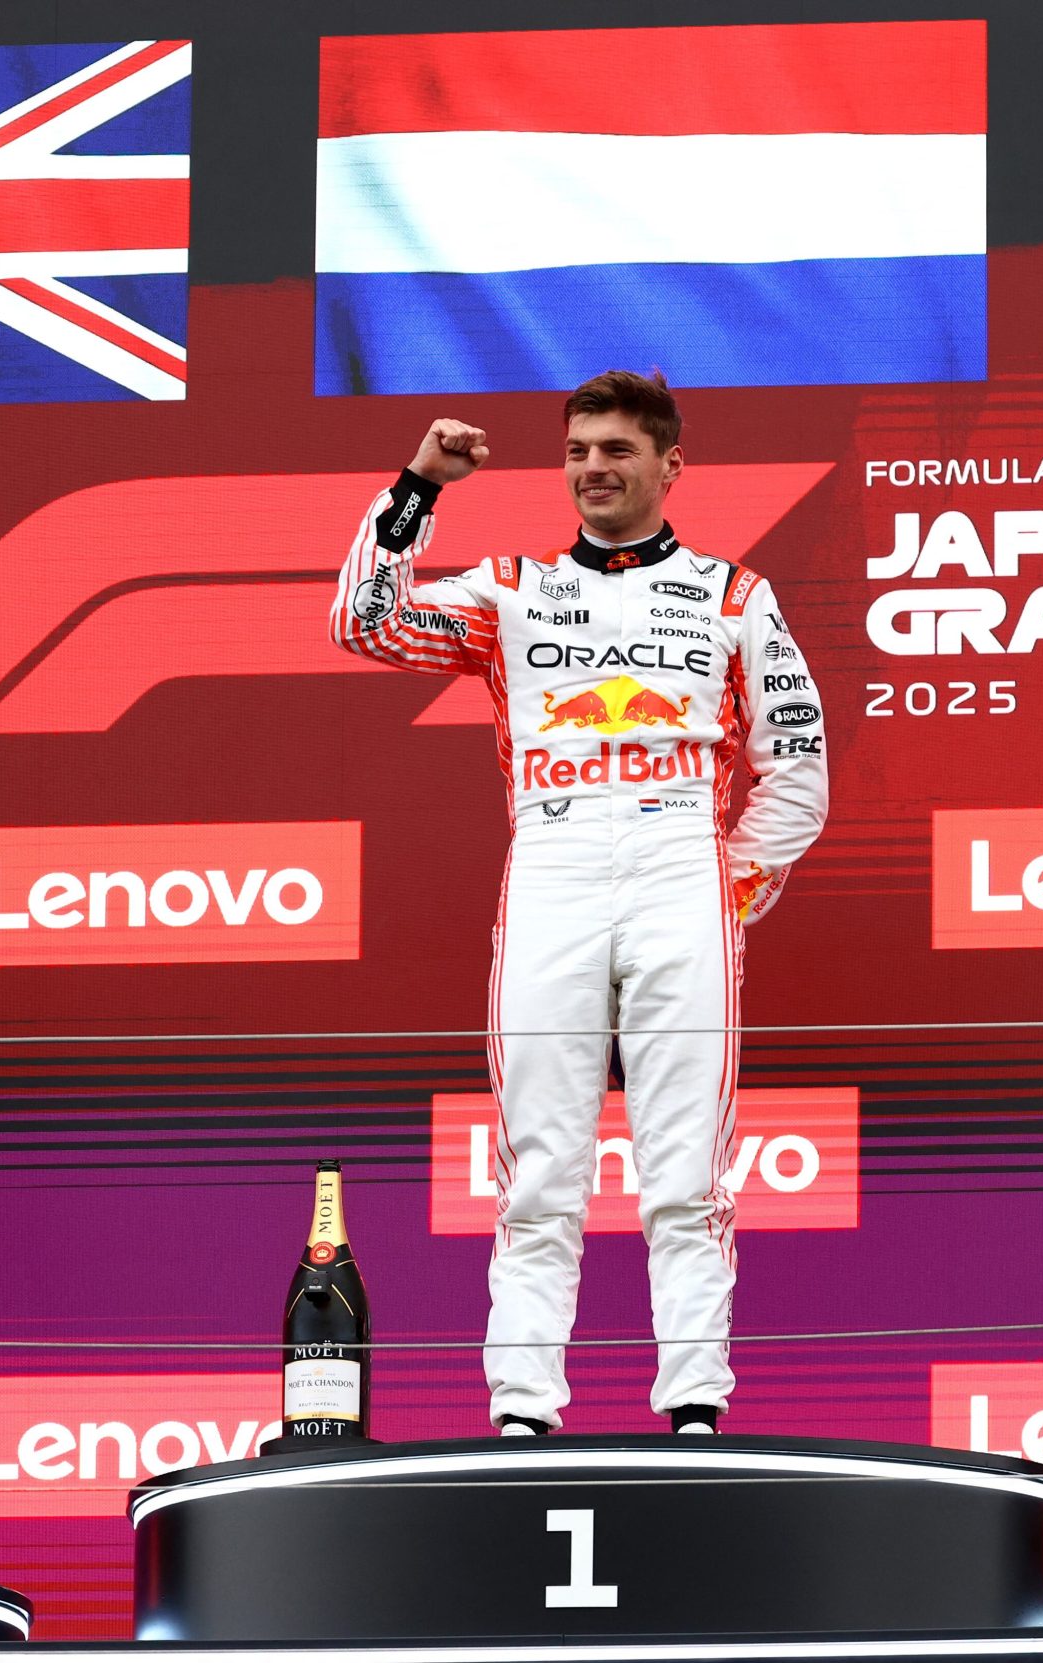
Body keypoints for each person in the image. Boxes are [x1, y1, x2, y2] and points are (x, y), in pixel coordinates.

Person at [332, 371, 829, 1434]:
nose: (593, 468)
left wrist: (724, 892)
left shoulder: (735, 594)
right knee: (538, 1169)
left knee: (688, 1172)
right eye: (577, 451)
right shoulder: (512, 588)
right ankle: (523, 1408)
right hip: (550, 870)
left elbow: (799, 773)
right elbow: (364, 624)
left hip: (681, 873)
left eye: (615, 450)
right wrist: (420, 485)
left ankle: (694, 1404)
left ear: (669, 465)